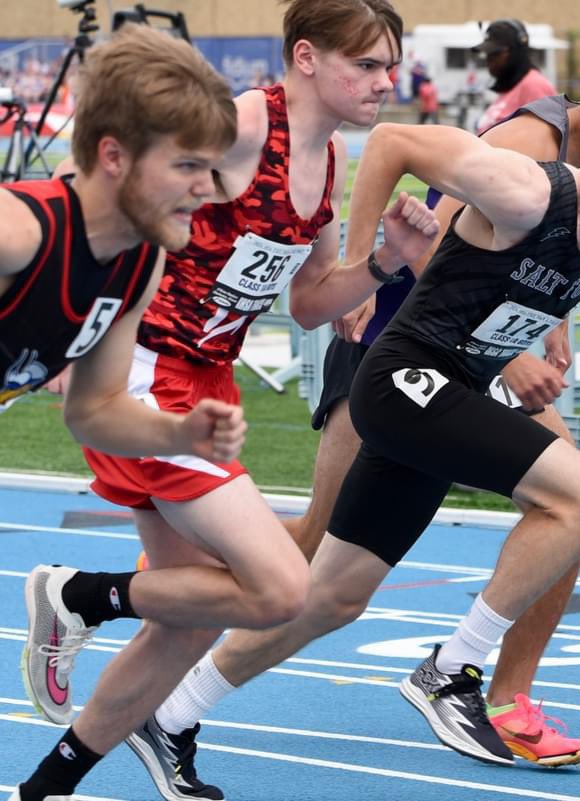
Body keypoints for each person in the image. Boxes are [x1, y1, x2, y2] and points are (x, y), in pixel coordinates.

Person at [133, 84, 580, 778]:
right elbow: (394, 142)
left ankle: (167, 715)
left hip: (450, 396)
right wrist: (364, 263)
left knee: (331, 597)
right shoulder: (528, 192)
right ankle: (452, 668)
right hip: (403, 381)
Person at [11, 3, 439, 801]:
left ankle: (45, 788)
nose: (387, 81)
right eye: (369, 64)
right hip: (147, 368)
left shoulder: (331, 157)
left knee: (192, 619)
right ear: (305, 57)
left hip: (197, 384)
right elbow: (112, 203)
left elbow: (310, 303)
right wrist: (90, 321)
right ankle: (79, 593)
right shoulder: (239, 127)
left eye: (391, 65)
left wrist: (384, 263)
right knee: (279, 587)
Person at [4, 23, 243, 801]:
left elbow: (95, 411)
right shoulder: (17, 232)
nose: (206, 189)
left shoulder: (139, 259)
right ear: (114, 155)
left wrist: (177, 432)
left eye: (211, 165)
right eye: (186, 165)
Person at [472, 18, 556, 134]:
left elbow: (544, 140)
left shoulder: (534, 86)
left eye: (495, 53)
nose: (489, 59)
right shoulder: (511, 86)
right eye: (487, 53)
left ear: (517, 51)